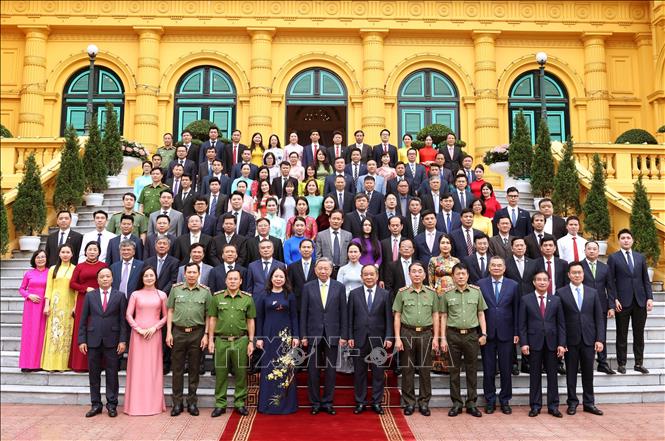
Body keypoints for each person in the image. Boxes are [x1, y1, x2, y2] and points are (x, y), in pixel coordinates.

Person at [556, 262, 605, 416]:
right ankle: (572, 402)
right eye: (574, 272)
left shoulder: (593, 292)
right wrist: (562, 342)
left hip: (589, 339)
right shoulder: (561, 293)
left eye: (579, 272)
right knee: (571, 373)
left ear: (583, 274)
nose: (577, 275)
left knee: (588, 373)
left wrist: (600, 339)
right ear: (569, 275)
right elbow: (560, 321)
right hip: (570, 340)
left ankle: (589, 403)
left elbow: (599, 318)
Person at [78, 267, 127, 418]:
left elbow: (123, 321)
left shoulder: (120, 296)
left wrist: (123, 340)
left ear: (112, 278)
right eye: (102, 277)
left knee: (112, 374)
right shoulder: (90, 296)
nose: (105, 279)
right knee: (94, 374)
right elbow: (83, 319)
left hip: (113, 340)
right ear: (97, 279)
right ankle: (96, 404)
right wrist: (82, 340)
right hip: (93, 340)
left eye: (107, 276)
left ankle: (112, 405)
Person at [300, 258, 348, 415]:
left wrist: (343, 335)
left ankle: (328, 402)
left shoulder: (339, 287)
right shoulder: (308, 287)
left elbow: (343, 312)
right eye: (320, 268)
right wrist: (303, 335)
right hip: (313, 334)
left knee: (330, 370)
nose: (323, 271)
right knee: (312, 370)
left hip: (332, 333)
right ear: (315, 270)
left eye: (326, 268)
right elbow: (303, 313)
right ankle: (314, 402)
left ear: (331, 270)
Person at [440, 263, 488, 418]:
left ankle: (472, 403)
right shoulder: (447, 294)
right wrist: (442, 338)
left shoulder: (476, 292)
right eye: (458, 274)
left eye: (463, 274)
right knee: (454, 371)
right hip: (452, 335)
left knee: (471, 370)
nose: (461, 277)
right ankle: (456, 403)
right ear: (453, 276)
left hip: (471, 335)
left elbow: (481, 313)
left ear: (467, 275)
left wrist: (484, 334)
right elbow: (443, 316)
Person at [208, 269, 256, 417]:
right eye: (230, 279)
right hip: (221, 341)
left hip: (240, 340)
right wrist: (210, 339)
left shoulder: (247, 299)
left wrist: (250, 341)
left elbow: (250, 321)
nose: (233, 281)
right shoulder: (217, 297)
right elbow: (213, 319)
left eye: (236, 279)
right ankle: (220, 404)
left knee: (241, 373)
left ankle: (239, 403)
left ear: (241, 281)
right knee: (221, 374)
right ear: (226, 281)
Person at [166, 263, 212, 417]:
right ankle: (177, 403)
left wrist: (206, 334)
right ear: (184, 274)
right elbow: (170, 310)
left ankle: (192, 402)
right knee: (177, 369)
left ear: (199, 274)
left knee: (194, 369)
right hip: (178, 332)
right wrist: (169, 333)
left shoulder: (205, 291)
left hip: (197, 333)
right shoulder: (176, 289)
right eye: (189, 272)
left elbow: (209, 315)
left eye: (194, 272)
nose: (191, 275)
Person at [393, 262, 439, 416]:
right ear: (409, 274)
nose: (417, 274)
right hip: (407, 333)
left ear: (425, 275)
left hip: (426, 334)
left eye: (420, 271)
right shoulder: (402, 293)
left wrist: (436, 337)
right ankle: (409, 402)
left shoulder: (432, 293)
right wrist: (397, 338)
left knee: (425, 369)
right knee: (408, 369)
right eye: (414, 271)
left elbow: (436, 315)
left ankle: (424, 402)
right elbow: (397, 316)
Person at [519, 271, 566, 418]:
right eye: (539, 280)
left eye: (545, 280)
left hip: (552, 343)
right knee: (535, 376)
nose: (542, 282)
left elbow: (561, 324)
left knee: (553, 376)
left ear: (549, 282)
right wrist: (524, 343)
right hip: (534, 343)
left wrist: (561, 344)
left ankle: (553, 406)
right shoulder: (526, 299)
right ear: (534, 282)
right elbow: (522, 324)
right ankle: (535, 406)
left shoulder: (556, 300)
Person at [348, 265, 393, 415]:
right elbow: (350, 317)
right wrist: (350, 336)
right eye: (366, 274)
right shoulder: (354, 294)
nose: (368, 277)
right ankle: (360, 402)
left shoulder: (385, 294)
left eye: (371, 274)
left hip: (378, 338)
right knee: (359, 372)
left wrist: (388, 336)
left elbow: (388, 318)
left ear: (377, 276)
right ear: (361, 277)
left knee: (378, 372)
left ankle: (376, 402)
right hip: (358, 339)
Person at [607, 228, 653, 374]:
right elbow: (610, 282)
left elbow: (646, 279)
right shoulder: (613, 258)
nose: (626, 240)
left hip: (640, 301)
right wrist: (614, 299)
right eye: (623, 238)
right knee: (622, 333)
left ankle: (639, 363)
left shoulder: (640, 257)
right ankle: (621, 363)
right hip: (622, 302)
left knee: (639, 334)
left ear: (632, 240)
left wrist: (649, 297)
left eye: (628, 238)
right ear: (619, 241)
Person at [478, 256, 520, 415]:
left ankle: (505, 400)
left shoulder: (513, 285)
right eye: (493, 265)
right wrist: (480, 332)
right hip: (487, 334)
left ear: (504, 268)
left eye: (499, 265)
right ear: (489, 268)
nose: (496, 268)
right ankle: (490, 400)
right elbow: (478, 310)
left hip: (506, 333)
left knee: (506, 369)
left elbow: (517, 309)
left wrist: (516, 332)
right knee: (488, 369)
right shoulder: (480, 284)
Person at [124, 266, 168, 415]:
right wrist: (139, 329)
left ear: (156, 277)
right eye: (146, 276)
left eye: (151, 275)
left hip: (154, 335)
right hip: (138, 336)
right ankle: (135, 405)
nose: (149, 278)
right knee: (137, 369)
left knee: (153, 369)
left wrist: (155, 328)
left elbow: (166, 316)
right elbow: (128, 315)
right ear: (142, 278)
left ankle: (153, 405)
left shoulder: (162, 295)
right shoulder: (135, 294)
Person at [255, 267, 299, 414]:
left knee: (285, 369)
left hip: (286, 338)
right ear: (271, 278)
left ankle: (286, 405)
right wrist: (259, 338)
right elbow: (259, 318)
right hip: (268, 336)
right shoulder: (264, 295)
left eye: (281, 277)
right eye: (276, 276)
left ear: (285, 279)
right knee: (269, 368)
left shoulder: (289, 295)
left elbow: (294, 317)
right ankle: (268, 405)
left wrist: (296, 336)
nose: (278, 279)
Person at [69, 242, 107, 372]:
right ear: (85, 252)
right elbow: (72, 283)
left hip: (99, 299)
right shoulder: (79, 266)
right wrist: (85, 289)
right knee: (82, 326)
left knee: (97, 327)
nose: (92, 252)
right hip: (83, 299)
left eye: (95, 249)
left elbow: (108, 281)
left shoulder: (103, 266)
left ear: (99, 252)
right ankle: (80, 364)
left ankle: (98, 363)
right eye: (89, 249)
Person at [580, 241, 615, 374]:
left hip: (601, 305)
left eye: (594, 249)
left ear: (598, 251)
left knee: (601, 333)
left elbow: (610, 288)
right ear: (585, 251)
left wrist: (611, 306)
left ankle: (602, 362)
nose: (592, 251)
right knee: (584, 334)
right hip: (583, 306)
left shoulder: (605, 267)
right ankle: (583, 364)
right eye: (589, 249)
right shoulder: (579, 266)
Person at [41, 244, 77, 371]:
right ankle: (51, 364)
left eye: (68, 252)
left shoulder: (75, 269)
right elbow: (49, 288)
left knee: (67, 332)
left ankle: (64, 365)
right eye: (63, 252)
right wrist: (47, 305)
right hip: (55, 305)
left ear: (72, 254)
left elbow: (77, 290)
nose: (65, 254)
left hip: (69, 303)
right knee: (54, 332)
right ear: (59, 254)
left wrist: (75, 306)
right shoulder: (52, 269)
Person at [18, 250, 49, 371]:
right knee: (29, 334)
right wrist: (29, 295)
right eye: (38, 257)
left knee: (41, 334)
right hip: (31, 307)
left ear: (46, 259)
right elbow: (21, 289)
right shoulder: (29, 273)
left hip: (44, 306)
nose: (40, 259)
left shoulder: (50, 272)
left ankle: (38, 364)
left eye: (43, 257)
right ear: (34, 259)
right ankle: (27, 364)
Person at [315, 210, 352, 275]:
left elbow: (350, 253)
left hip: (344, 270)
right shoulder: (321, 235)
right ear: (329, 219)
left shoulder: (348, 235)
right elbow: (318, 255)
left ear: (342, 221)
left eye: (338, 219)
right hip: (326, 270)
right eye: (334, 218)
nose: (336, 221)